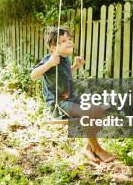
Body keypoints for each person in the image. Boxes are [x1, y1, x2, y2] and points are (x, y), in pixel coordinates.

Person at [31, 27, 116, 164]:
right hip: (59, 104)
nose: (69, 42)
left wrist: (76, 65)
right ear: (53, 47)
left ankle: (88, 148)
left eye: (69, 39)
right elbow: (34, 75)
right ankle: (98, 149)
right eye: (63, 41)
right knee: (89, 112)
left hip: (71, 99)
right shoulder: (51, 58)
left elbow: (65, 76)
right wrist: (49, 63)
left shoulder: (65, 60)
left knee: (101, 106)